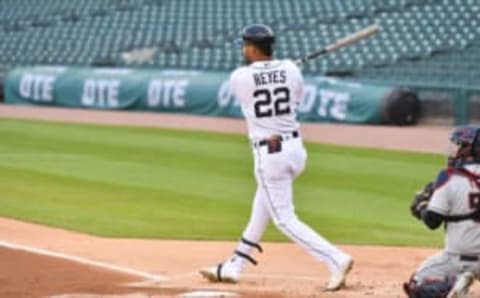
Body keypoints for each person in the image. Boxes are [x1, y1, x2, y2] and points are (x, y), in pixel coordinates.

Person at [199, 23, 353, 291]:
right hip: (295, 150)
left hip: (270, 156)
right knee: (261, 209)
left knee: (283, 218)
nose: (244, 49)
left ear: (253, 48)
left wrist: (269, 75)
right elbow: (295, 99)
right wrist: (279, 72)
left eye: (246, 45)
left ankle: (335, 258)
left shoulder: (240, 77)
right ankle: (235, 266)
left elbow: (253, 86)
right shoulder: (292, 70)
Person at [406, 125, 480, 298]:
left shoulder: (449, 177)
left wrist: (422, 206)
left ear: (470, 149)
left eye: (459, 145)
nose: (455, 151)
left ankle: (452, 285)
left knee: (416, 286)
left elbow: (432, 221)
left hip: (457, 257)